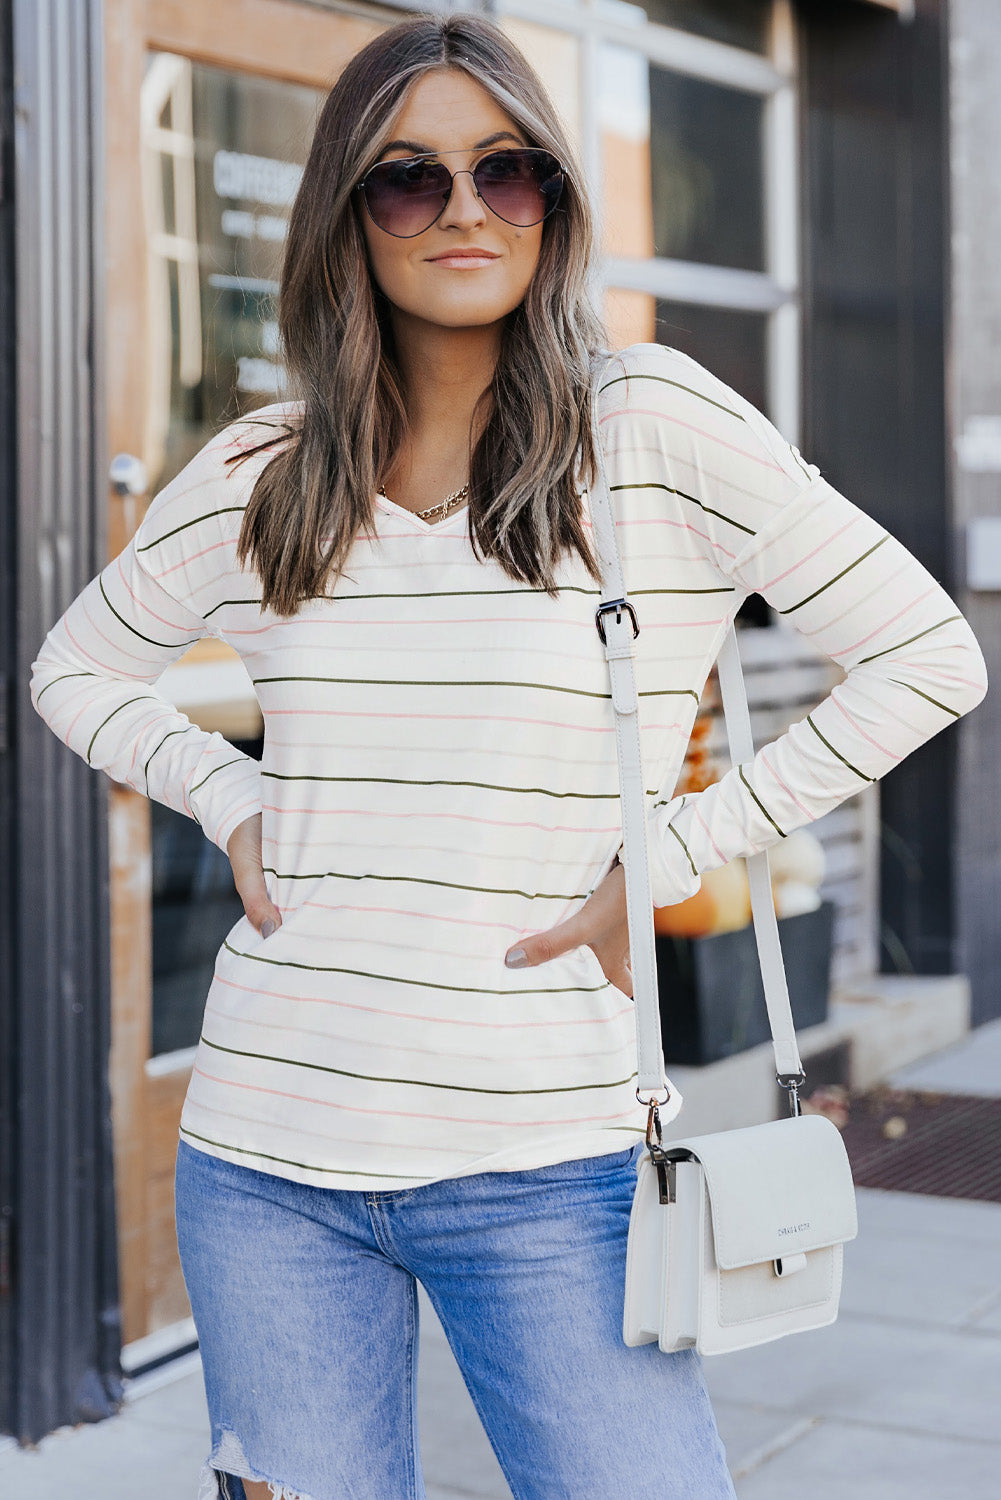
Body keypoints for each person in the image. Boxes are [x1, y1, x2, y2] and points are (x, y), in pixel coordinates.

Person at [29, 12, 987, 1500]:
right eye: (409, 179)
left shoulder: (649, 424)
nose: (465, 210)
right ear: (348, 213)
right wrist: (227, 795)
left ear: (555, 197)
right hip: (267, 1150)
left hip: (547, 1154)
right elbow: (72, 669)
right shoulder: (262, 470)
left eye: (509, 171)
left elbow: (929, 656)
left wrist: (661, 854)